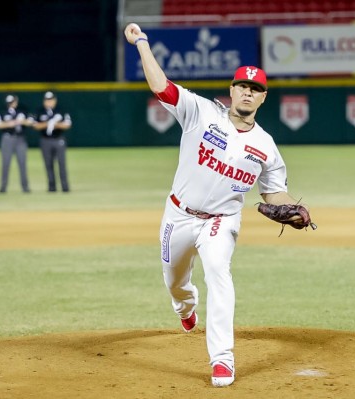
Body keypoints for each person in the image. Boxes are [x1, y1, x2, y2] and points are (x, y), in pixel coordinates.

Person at [124, 24, 315, 387]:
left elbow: (273, 194)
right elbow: (160, 86)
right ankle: (186, 308)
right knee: (175, 283)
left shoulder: (266, 146)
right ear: (231, 91)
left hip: (222, 220)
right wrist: (142, 43)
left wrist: (293, 209)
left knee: (218, 272)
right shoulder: (200, 112)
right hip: (179, 214)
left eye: (255, 89)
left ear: (263, 98)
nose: (248, 92)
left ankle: (223, 359)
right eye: (243, 85)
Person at [32, 91, 72, 192]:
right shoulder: (39, 111)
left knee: (62, 164)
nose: (49, 102)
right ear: (44, 101)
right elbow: (35, 125)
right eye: (47, 100)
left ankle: (65, 187)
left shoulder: (61, 110)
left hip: (58, 139)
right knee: (48, 164)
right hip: (45, 140)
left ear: (55, 100)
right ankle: (52, 187)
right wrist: (47, 123)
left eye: (51, 100)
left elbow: (67, 124)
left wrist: (55, 124)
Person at [0, 94, 33, 193]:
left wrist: (22, 121)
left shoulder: (22, 111)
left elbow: (31, 122)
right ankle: (3, 187)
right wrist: (9, 123)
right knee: (6, 163)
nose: (12, 104)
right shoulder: (2, 112)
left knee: (22, 163)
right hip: (7, 138)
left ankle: (25, 187)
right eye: (10, 103)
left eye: (13, 102)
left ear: (16, 101)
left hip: (20, 138)